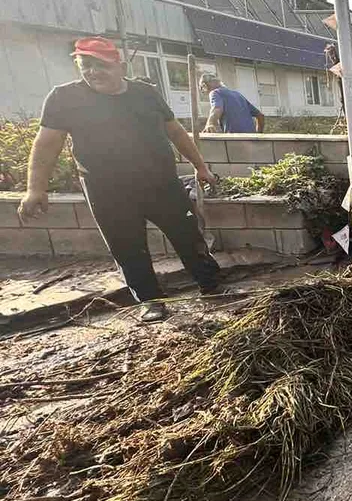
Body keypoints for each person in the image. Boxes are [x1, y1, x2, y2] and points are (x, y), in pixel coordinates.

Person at [18, 37, 222, 322]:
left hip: (162, 184)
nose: (93, 72)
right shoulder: (65, 99)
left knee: (188, 236)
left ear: (120, 66)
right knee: (127, 247)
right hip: (107, 192)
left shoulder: (146, 94)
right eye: (85, 65)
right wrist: (35, 188)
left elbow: (175, 132)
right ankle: (150, 300)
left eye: (101, 65)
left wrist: (200, 167)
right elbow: (46, 144)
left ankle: (211, 285)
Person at [200, 73, 265, 134]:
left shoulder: (215, 92)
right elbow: (260, 116)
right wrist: (258, 135)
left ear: (204, 86)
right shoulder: (238, 94)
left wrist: (210, 123)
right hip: (252, 139)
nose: (204, 93)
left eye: (202, 89)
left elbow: (217, 108)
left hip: (235, 140)